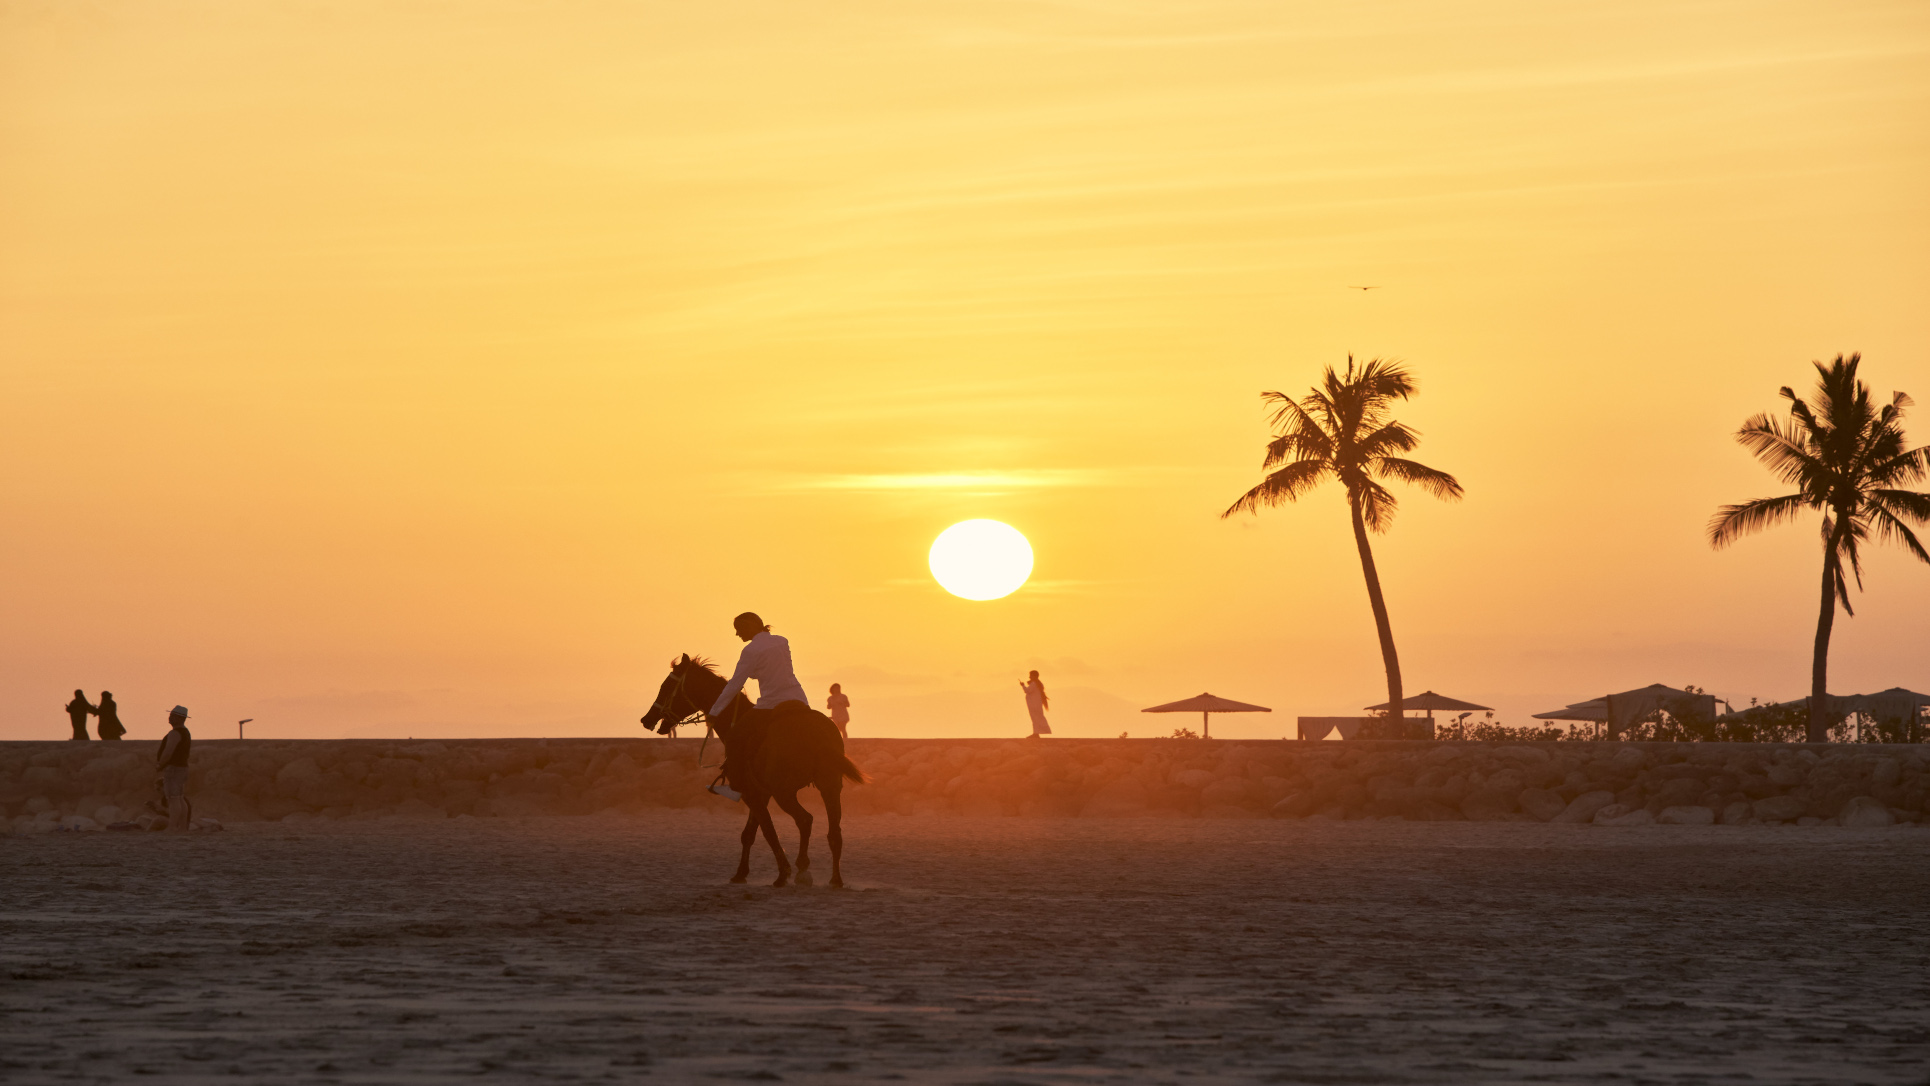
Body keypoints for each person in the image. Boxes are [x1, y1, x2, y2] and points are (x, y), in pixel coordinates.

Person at [707, 612, 811, 801]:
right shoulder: (782, 641)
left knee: (734, 739)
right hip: (799, 699)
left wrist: (715, 711)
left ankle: (736, 787)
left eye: (739, 630)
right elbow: (771, 668)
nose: (737, 635)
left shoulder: (750, 650)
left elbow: (735, 685)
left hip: (771, 704)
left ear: (749, 626)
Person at [155, 705, 193, 832]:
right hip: (182, 768)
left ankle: (172, 826)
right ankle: (182, 827)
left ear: (179, 718)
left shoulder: (175, 733)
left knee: (173, 798)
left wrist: (160, 764)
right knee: (180, 797)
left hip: (174, 768)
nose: (169, 718)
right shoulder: (185, 732)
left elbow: (168, 751)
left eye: (172, 716)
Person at [1019, 670, 1051, 738]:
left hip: (1034, 704)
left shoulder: (1034, 684)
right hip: (1037, 704)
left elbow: (1027, 691)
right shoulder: (1038, 683)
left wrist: (1023, 685)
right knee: (1037, 718)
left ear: (1034, 676)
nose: (1029, 677)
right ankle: (1036, 733)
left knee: (1035, 718)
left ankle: (1035, 733)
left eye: (1030, 675)